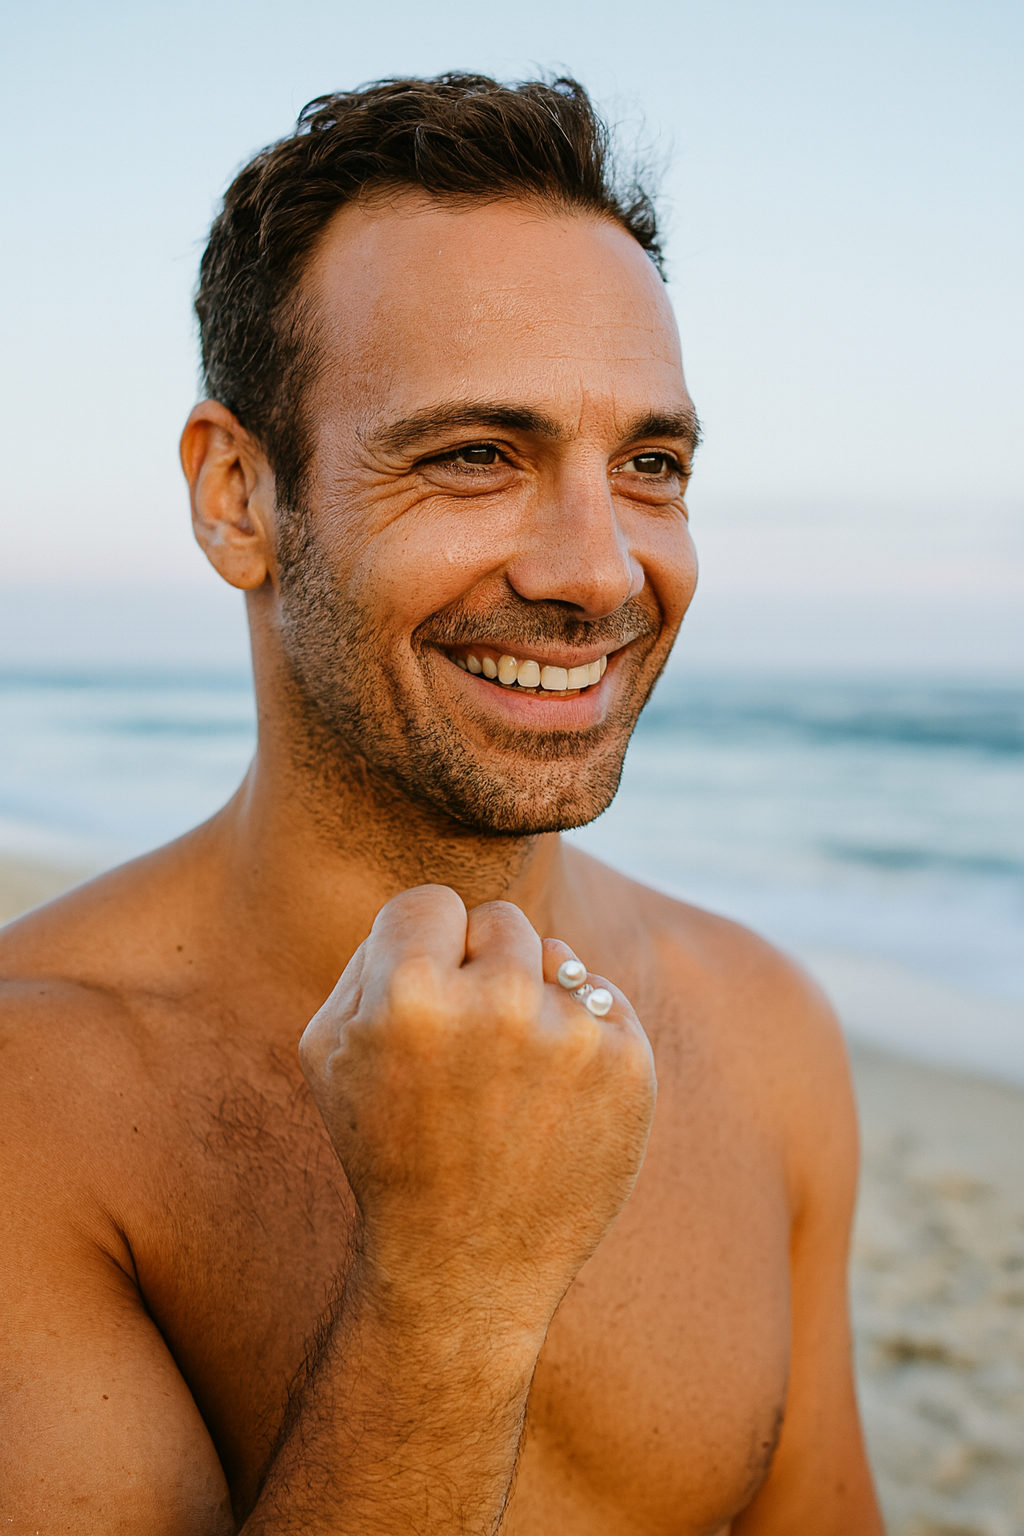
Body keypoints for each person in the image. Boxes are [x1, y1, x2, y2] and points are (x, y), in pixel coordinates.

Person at [0, 74, 883, 1534]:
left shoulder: (764, 1027)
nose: (599, 573)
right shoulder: (35, 1104)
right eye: (477, 455)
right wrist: (452, 1295)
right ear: (238, 497)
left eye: (649, 466)